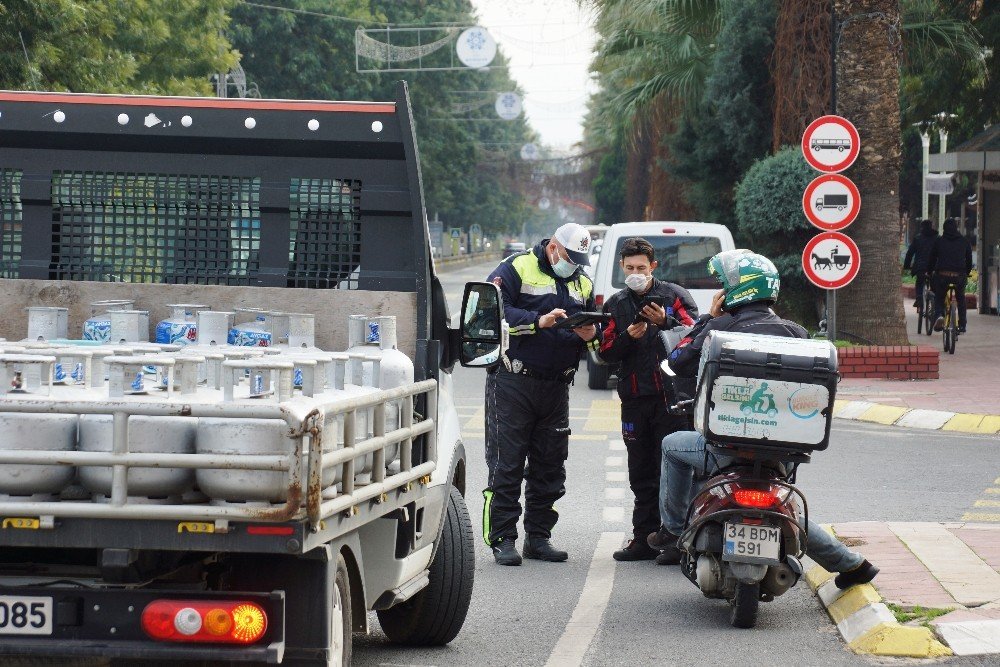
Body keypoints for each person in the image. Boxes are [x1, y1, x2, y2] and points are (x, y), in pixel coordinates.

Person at [647, 249, 879, 590]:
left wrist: (708, 320)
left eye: (723, 286)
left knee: (670, 446)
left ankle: (674, 529)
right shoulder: (798, 333)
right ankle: (852, 565)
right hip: (782, 453)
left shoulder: (721, 328)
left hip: (726, 448)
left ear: (734, 292)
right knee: (781, 505)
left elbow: (676, 361)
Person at [483, 222, 602, 566]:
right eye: (569, 256)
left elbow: (595, 341)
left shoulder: (583, 282)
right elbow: (494, 313)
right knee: (506, 464)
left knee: (550, 466)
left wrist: (590, 334)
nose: (573, 264)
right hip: (514, 383)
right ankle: (503, 539)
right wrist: (539, 321)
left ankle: (539, 537)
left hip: (557, 387)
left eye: (579, 259)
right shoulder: (516, 268)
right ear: (553, 247)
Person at [598, 237, 698, 562]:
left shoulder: (675, 296)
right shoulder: (615, 304)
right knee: (640, 470)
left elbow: (696, 336)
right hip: (635, 399)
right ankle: (643, 537)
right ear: (621, 268)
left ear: (653, 266)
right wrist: (628, 336)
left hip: (673, 400)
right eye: (630, 268)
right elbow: (605, 351)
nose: (635, 273)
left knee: (671, 469)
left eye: (641, 267)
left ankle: (675, 541)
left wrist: (665, 323)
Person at [930, 217, 973, 334]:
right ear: (956, 228)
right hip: (959, 276)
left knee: (939, 297)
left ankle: (939, 315)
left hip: (942, 275)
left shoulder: (939, 241)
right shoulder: (964, 241)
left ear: (944, 228)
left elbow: (932, 258)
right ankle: (963, 325)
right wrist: (967, 273)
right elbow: (969, 260)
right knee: (961, 299)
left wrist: (930, 271)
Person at [903, 219, 938, 310]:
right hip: (934, 267)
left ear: (921, 227)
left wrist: (906, 265)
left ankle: (919, 297)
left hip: (920, 267)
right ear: (931, 226)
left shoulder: (918, 238)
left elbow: (910, 253)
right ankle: (935, 303)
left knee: (919, 282)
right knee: (934, 284)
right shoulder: (937, 238)